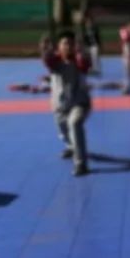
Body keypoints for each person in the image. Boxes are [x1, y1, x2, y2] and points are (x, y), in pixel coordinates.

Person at [42, 30, 92, 176]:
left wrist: (81, 50)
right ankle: (71, 146)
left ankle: (80, 164)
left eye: (71, 43)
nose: (68, 46)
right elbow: (47, 60)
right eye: (64, 44)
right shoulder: (55, 61)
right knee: (64, 132)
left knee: (74, 124)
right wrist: (45, 49)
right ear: (59, 47)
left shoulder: (79, 60)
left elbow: (84, 64)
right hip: (60, 105)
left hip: (79, 102)